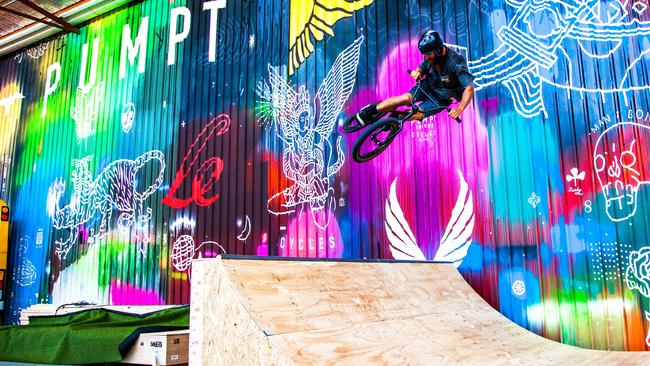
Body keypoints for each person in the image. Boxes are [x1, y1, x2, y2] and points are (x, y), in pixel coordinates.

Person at [355, 31, 475, 125]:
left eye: (428, 54)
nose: (426, 57)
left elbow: (469, 89)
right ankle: (371, 111)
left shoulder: (456, 62)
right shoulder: (431, 56)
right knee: (405, 98)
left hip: (442, 99)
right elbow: (422, 68)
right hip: (428, 85)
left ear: (438, 50)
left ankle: (395, 120)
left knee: (418, 112)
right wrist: (417, 73)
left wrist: (460, 109)